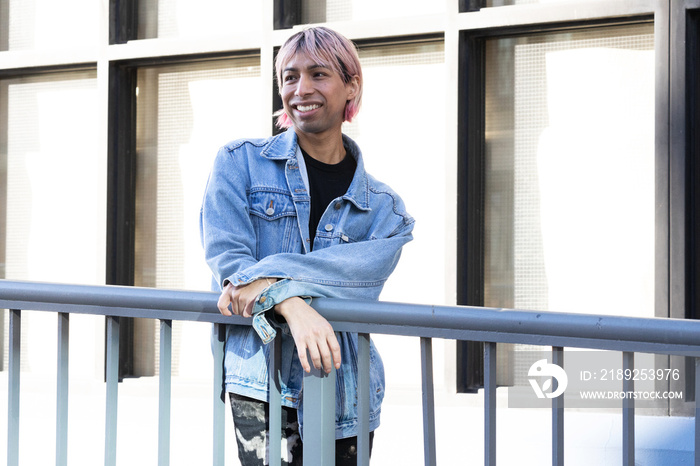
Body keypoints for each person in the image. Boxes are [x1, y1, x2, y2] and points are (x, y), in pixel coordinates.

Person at [199, 26, 414, 466]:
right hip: (260, 381)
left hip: (346, 386)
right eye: (290, 77)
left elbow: (356, 285)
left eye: (319, 74)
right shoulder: (238, 163)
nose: (301, 89)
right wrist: (293, 306)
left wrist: (266, 281)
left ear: (351, 84)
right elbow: (230, 261)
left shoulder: (386, 212)